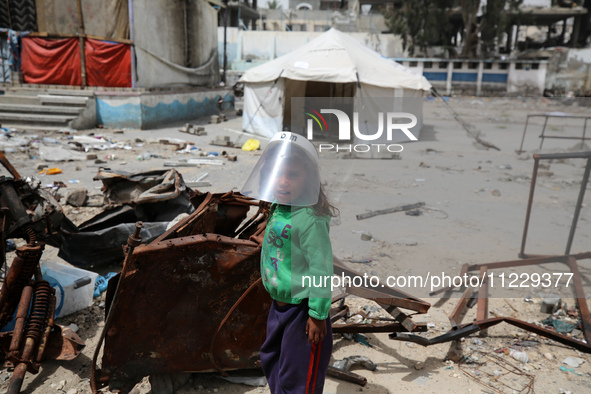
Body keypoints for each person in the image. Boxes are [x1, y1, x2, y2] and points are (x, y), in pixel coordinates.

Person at [241, 132, 337, 393]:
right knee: (273, 360)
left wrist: (317, 316)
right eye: (278, 173)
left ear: (309, 179)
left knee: (299, 375)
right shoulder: (278, 207)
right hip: (279, 306)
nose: (283, 182)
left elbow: (321, 269)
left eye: (292, 175)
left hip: (303, 310)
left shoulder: (310, 219)